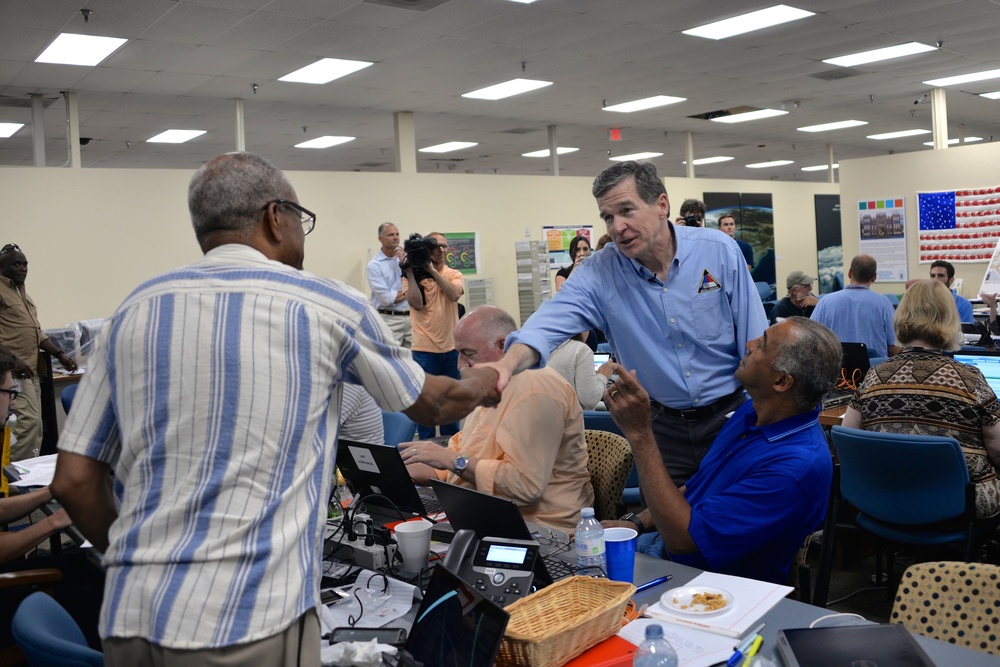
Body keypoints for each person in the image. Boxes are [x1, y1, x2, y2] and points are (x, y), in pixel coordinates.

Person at [49, 152, 500, 665]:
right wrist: (490, 376)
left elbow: (74, 481)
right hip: (250, 620)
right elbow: (434, 401)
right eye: (300, 221)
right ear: (273, 217)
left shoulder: (134, 309)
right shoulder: (324, 304)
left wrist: (138, 562)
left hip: (130, 618)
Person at [488, 160, 767, 537]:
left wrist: (764, 417)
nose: (617, 227)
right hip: (662, 429)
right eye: (607, 217)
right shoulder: (599, 274)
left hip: (733, 418)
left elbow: (756, 343)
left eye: (626, 210)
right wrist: (506, 365)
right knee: (677, 540)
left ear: (662, 205)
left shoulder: (719, 252)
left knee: (739, 531)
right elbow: (545, 325)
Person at [602, 317, 838, 584]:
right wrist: (638, 522)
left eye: (762, 344)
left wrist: (641, 434)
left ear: (782, 381)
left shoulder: (796, 468)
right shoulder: (754, 411)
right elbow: (697, 486)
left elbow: (684, 542)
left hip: (711, 588)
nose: (749, 344)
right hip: (667, 550)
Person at [402, 306, 593, 533]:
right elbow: (467, 452)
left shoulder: (535, 389)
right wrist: (424, 468)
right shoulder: (491, 384)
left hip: (541, 528)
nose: (460, 365)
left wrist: (449, 460)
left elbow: (525, 486)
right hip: (489, 510)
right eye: (458, 353)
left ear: (503, 346)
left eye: (469, 353)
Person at [843, 280, 1000, 519]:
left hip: (884, 500)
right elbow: (998, 450)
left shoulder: (873, 376)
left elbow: (849, 438)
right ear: (949, 320)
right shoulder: (971, 380)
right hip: (958, 506)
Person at [0, 244, 78, 460]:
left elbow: (37, 332)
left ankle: (26, 477)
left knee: (35, 427)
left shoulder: (21, 293)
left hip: (31, 371)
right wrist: (12, 359)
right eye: (16, 264)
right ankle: (12, 483)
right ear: (2, 267)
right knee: (26, 425)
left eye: (25, 264)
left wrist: (60, 355)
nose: (23, 268)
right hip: (11, 373)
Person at [405, 232, 465, 440]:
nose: (441, 250)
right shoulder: (412, 275)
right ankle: (426, 448)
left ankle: (452, 445)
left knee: (450, 402)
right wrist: (411, 273)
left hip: (450, 349)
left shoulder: (453, 273)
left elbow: (454, 294)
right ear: (427, 250)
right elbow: (416, 303)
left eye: (445, 246)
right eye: (437, 246)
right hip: (424, 350)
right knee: (425, 403)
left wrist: (431, 270)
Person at [810, 254, 901, 358]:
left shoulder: (825, 302)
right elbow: (892, 345)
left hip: (837, 370)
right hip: (874, 370)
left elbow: (812, 339)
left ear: (849, 273)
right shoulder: (884, 304)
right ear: (874, 277)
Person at [366, 222, 411, 347]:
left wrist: (407, 264)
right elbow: (386, 299)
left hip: (412, 318)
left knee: (415, 361)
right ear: (381, 239)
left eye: (397, 234)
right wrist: (411, 289)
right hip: (389, 320)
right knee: (391, 359)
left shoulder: (405, 260)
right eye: (391, 235)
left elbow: (421, 286)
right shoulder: (375, 265)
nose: (396, 237)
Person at [547, 336, 614, 410]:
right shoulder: (581, 349)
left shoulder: (538, 346)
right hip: (569, 418)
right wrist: (603, 375)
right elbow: (590, 400)